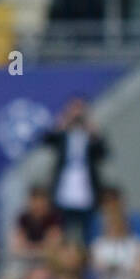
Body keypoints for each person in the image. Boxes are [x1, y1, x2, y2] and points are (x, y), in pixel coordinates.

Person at [41, 98, 108, 244]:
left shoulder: (91, 134)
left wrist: (95, 134)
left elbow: (103, 154)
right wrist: (60, 125)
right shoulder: (63, 133)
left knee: (89, 231)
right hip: (65, 187)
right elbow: (46, 140)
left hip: (86, 187)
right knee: (63, 229)